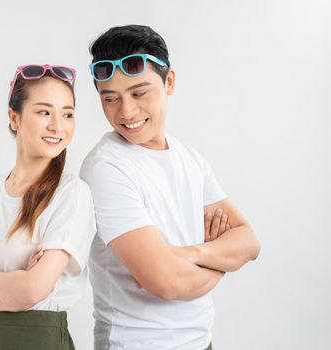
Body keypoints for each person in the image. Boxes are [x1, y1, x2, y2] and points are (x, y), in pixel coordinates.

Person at [80, 25, 261, 350]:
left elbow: (248, 241)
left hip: (200, 341)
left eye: (139, 93)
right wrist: (223, 261)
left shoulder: (188, 158)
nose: (126, 112)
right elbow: (166, 282)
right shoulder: (106, 168)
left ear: (170, 82)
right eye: (110, 98)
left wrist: (189, 254)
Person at [0, 64, 96, 350]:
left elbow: (32, 290)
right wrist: (13, 291)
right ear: (14, 117)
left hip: (37, 340)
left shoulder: (71, 194)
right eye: (44, 112)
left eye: (68, 114)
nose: (58, 126)